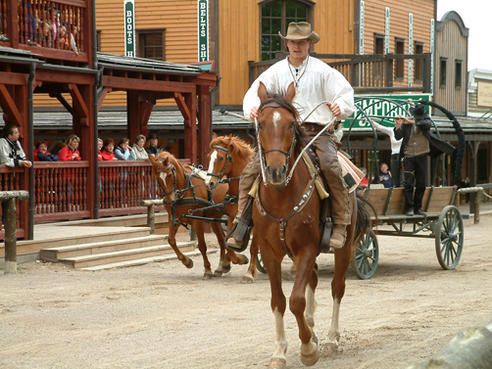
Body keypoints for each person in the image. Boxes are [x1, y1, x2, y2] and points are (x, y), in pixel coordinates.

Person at [227, 21, 355, 251]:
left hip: (316, 132)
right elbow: (253, 93)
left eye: (302, 42)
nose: (297, 46)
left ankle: (340, 224)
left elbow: (346, 94)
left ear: (309, 44)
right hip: (283, 133)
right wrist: (254, 108)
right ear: (287, 44)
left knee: (329, 165)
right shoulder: (275, 71)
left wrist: (339, 106)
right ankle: (242, 222)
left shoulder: (323, 71)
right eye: (293, 42)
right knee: (251, 170)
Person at [395, 103, 455, 216]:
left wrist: (410, 121)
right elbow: (398, 136)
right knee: (408, 183)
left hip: (422, 155)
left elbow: (426, 125)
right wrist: (398, 126)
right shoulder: (407, 124)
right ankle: (410, 208)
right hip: (408, 156)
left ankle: (418, 208)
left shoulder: (425, 120)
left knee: (421, 183)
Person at [0, 123, 32, 227]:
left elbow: (22, 155)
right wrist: (21, 163)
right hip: (3, 176)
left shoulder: (16, 143)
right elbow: (5, 160)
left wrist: (25, 161)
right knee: (4, 199)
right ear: (9, 135)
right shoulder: (2, 142)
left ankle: (9, 223)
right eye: (16, 132)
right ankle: (3, 222)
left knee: (12, 199)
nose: (18, 134)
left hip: (13, 176)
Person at [367, 118, 402, 186]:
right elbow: (380, 127)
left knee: (402, 175)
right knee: (395, 175)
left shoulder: (406, 131)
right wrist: (371, 121)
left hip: (402, 155)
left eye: (400, 120)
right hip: (394, 155)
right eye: (396, 120)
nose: (397, 122)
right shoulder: (392, 130)